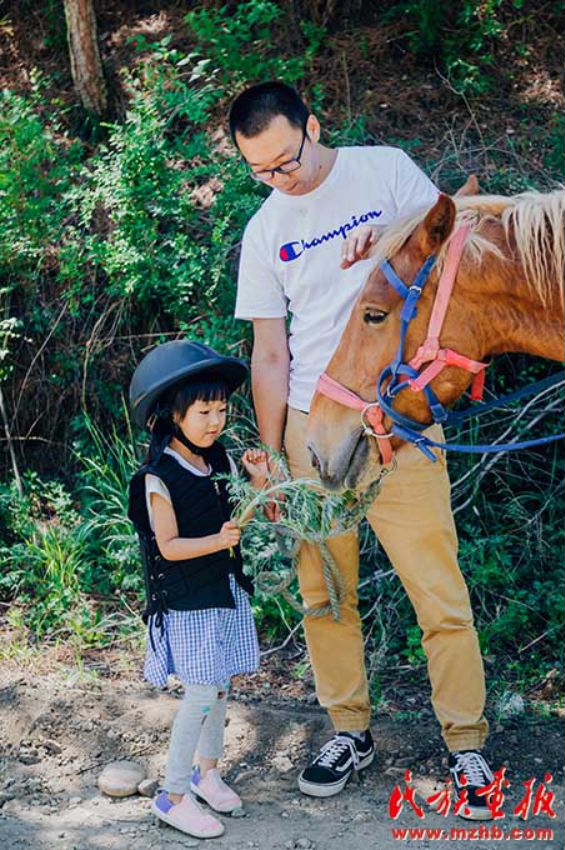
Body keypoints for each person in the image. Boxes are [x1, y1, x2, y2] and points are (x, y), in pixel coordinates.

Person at [230, 81, 494, 820]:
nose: (281, 178)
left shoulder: (384, 170)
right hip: (312, 428)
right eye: (261, 170)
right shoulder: (264, 230)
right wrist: (271, 454)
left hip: (398, 419)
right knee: (324, 594)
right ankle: (348, 731)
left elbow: (450, 248)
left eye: (287, 159)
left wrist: (385, 240)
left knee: (437, 589)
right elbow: (269, 353)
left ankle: (465, 742)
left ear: (313, 127)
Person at [128, 340, 268, 839]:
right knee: (202, 691)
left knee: (221, 683)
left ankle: (206, 773)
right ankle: (172, 794)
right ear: (173, 414)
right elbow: (168, 547)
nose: (215, 422)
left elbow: (236, 519)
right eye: (204, 412)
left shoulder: (217, 459)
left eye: (222, 410)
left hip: (223, 590)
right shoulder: (157, 477)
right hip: (188, 602)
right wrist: (216, 541)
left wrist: (257, 482)